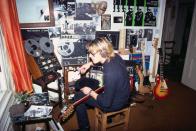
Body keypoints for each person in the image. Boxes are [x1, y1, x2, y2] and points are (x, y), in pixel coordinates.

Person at [73, 37, 131, 131]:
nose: (90, 56)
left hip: (115, 103)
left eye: (92, 54)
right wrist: (89, 64)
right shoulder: (114, 56)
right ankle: (109, 119)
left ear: (102, 52)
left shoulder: (110, 72)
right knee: (95, 85)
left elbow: (106, 103)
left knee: (78, 96)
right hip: (123, 94)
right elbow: (100, 61)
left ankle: (84, 129)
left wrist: (90, 92)